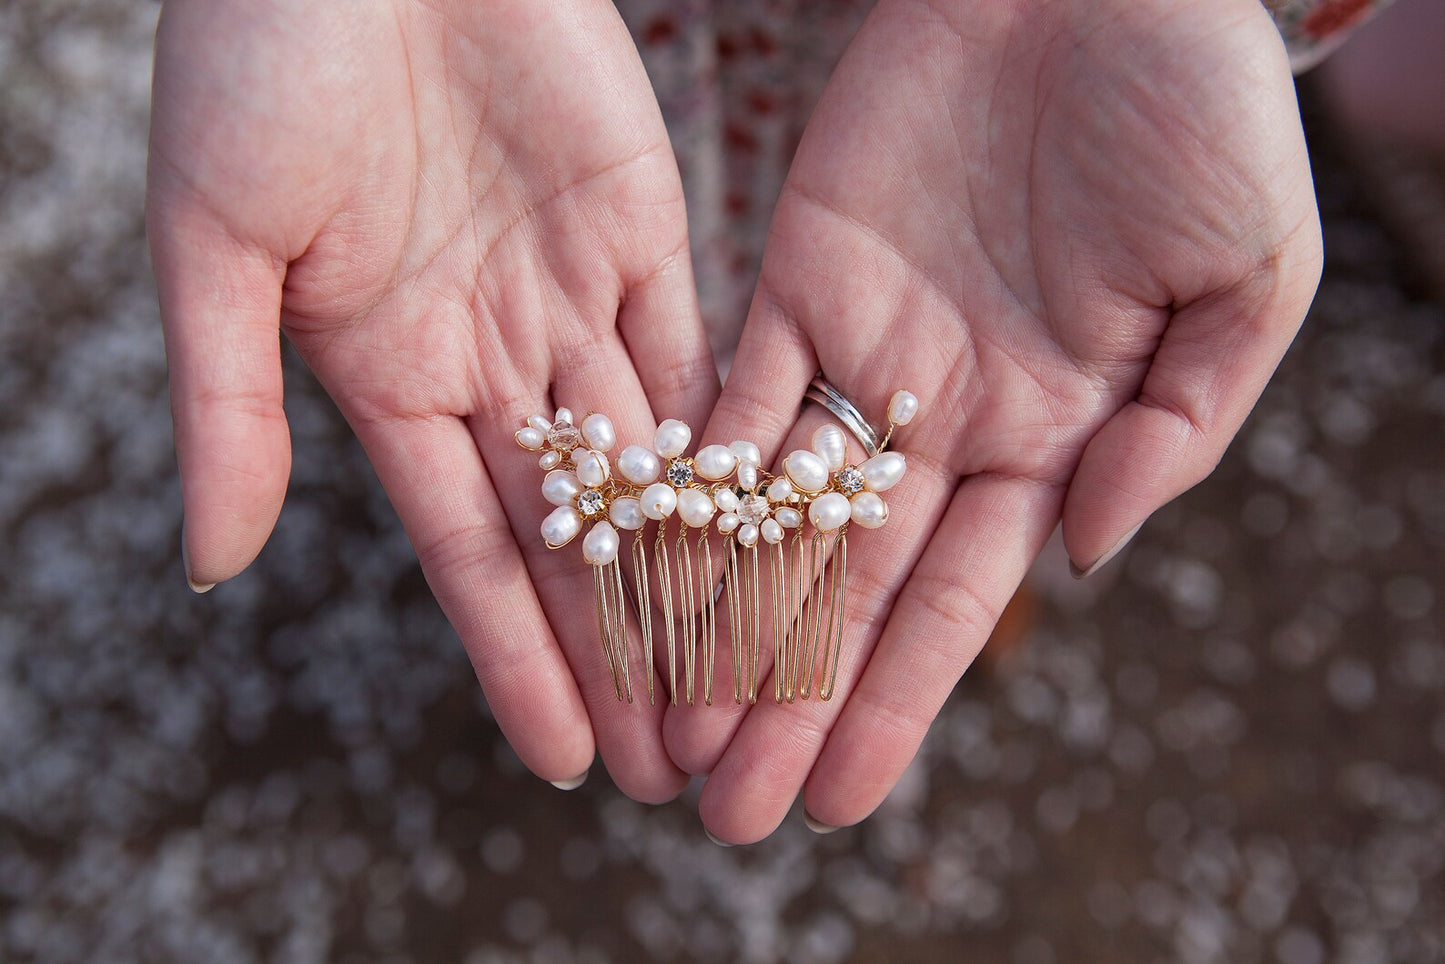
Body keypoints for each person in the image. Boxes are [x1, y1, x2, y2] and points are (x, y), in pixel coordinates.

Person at [150, 0, 1377, 845]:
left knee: (973, 397)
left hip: (978, 96)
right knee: (541, 346)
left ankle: (874, 594)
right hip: (535, 67)